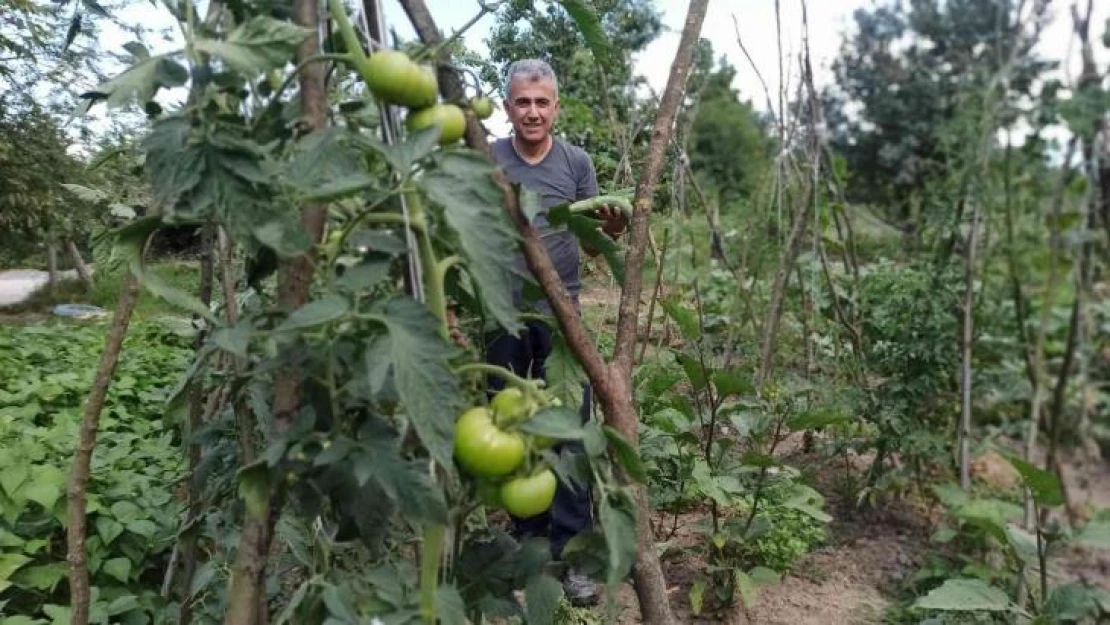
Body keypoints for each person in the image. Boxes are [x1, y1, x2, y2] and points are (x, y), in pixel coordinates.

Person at [485, 58, 626, 606]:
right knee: (509, 429)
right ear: (507, 108)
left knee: (569, 430)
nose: (533, 112)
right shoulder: (489, 158)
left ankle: (572, 556)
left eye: (542, 102)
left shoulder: (576, 162)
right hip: (500, 311)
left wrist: (608, 230)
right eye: (523, 102)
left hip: (561, 313)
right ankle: (528, 545)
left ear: (556, 107)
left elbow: (593, 245)